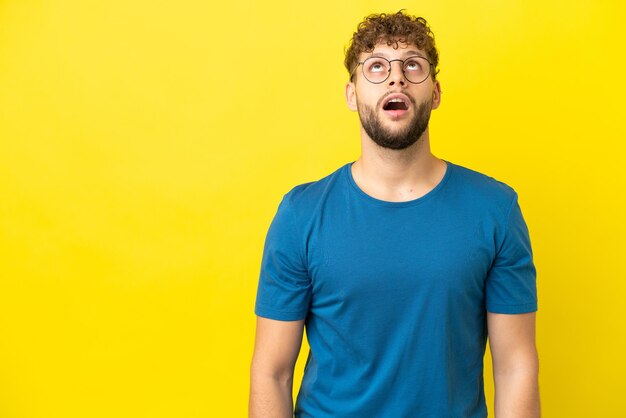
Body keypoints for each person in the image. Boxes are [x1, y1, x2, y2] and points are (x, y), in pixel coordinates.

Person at [249, 10, 540, 418]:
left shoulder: (495, 209)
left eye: (413, 66)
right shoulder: (301, 214)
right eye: (376, 67)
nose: (396, 78)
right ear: (352, 94)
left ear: (435, 93)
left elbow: (515, 367)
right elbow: (271, 373)